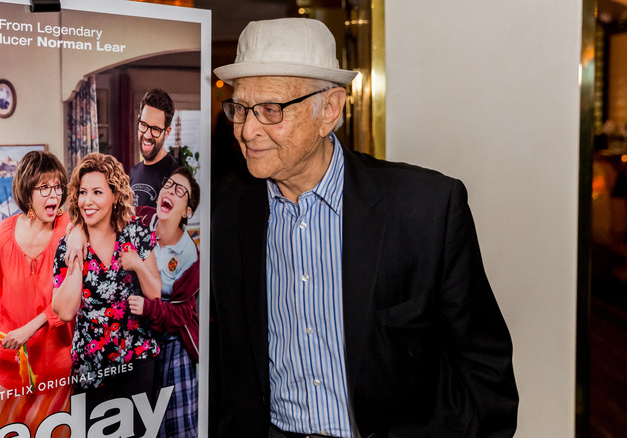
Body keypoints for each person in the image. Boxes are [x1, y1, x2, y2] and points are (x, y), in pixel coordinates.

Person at [209, 18, 519, 437]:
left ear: (330, 110)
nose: (247, 130)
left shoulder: (425, 208)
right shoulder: (224, 208)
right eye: (239, 108)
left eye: (270, 110)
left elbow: (485, 367)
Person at [0, 151, 74, 437]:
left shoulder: (70, 229)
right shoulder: (2, 233)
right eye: (45, 187)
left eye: (58, 186)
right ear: (27, 192)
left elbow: (74, 296)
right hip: (10, 366)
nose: (55, 195)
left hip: (56, 367)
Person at [52, 153, 161, 429]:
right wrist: (77, 254)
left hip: (136, 360)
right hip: (91, 367)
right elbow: (64, 311)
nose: (87, 201)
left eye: (97, 192)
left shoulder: (136, 234)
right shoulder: (68, 246)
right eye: (82, 192)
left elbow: (156, 294)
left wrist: (136, 264)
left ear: (115, 195)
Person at [129, 167, 201, 438]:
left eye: (180, 191)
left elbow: (183, 313)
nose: (170, 190)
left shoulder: (189, 255)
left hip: (172, 342)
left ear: (187, 212)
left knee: (175, 428)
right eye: (169, 185)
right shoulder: (141, 219)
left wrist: (149, 308)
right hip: (136, 335)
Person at [129, 88, 180, 207]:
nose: (147, 135)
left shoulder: (177, 177)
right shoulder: (133, 173)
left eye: (155, 129)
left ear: (167, 132)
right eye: (143, 124)